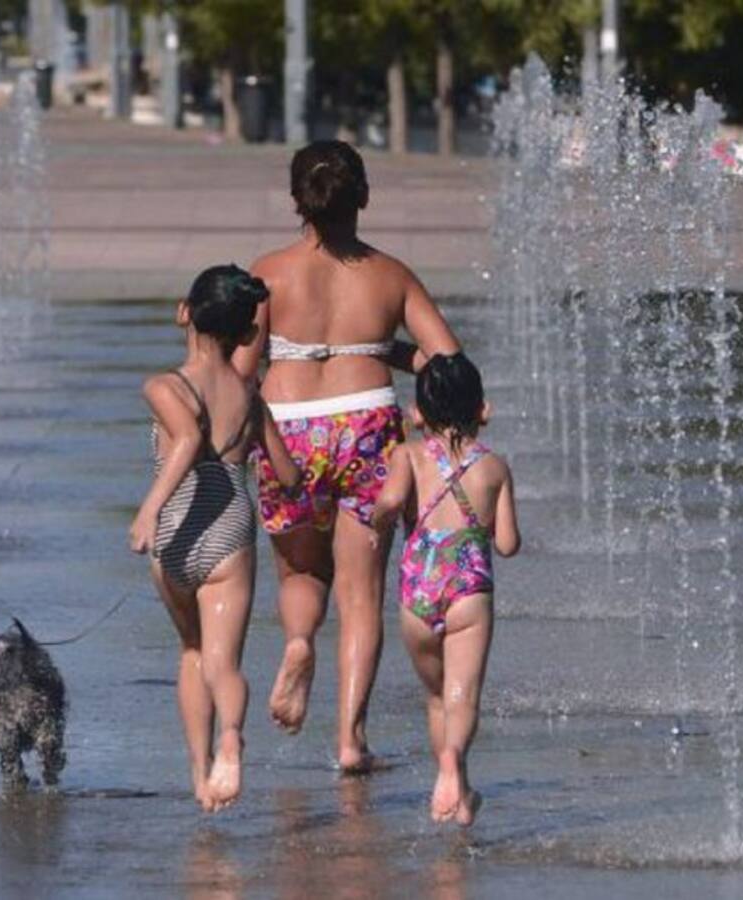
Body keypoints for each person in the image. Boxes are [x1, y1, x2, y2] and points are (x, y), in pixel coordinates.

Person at [232, 140, 461, 772]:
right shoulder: (391, 275)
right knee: (362, 595)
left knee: (303, 574)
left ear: (296, 202)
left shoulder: (269, 272)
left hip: (288, 431)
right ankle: (351, 741)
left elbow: (244, 372)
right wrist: (388, 353)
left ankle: (301, 641)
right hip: (367, 427)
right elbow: (448, 361)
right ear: (363, 196)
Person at [130, 265, 302, 812]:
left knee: (192, 652)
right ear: (247, 334)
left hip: (176, 532)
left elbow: (185, 439)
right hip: (228, 526)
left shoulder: (163, 386)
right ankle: (232, 737)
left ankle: (201, 775)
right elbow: (289, 474)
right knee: (224, 662)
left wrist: (148, 512)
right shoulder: (250, 392)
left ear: (185, 312)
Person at [369, 353, 520, 825]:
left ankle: (453, 777)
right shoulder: (494, 467)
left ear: (417, 414)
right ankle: (454, 762)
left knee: (437, 698)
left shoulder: (408, 456)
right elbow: (508, 544)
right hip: (469, 589)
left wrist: (379, 525)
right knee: (464, 696)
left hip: (418, 590)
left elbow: (391, 501)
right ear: (483, 411)